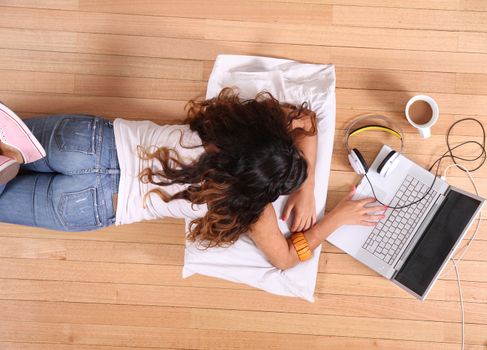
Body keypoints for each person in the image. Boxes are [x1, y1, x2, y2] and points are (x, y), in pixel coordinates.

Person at [0, 88, 385, 270]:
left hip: (88, 143)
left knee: (7, 144)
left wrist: (308, 182)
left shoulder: (233, 127)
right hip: (91, 204)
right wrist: (332, 217)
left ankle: (11, 156)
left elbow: (305, 122)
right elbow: (285, 259)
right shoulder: (248, 210)